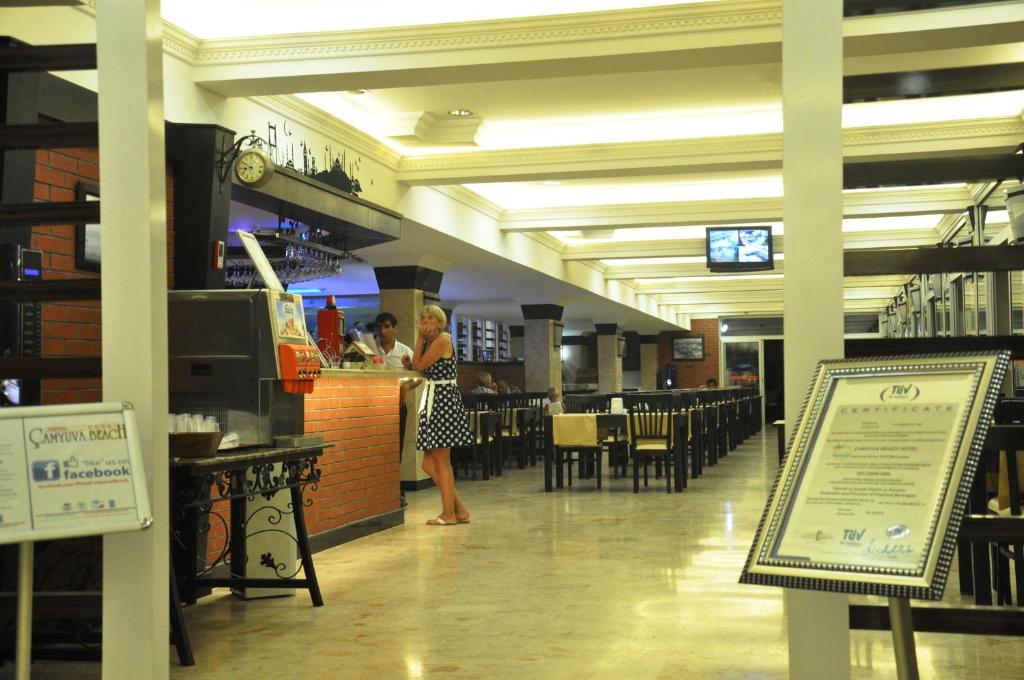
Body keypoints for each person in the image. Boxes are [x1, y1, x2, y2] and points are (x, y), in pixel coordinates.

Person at [412, 305, 474, 526]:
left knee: (441, 461)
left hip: (442, 401)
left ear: (440, 322)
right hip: (435, 400)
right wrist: (420, 343)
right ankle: (460, 510)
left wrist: (420, 337)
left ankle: (449, 514)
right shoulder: (432, 343)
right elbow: (419, 366)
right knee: (428, 464)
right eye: (423, 317)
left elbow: (418, 364)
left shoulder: (441, 341)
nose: (425, 321)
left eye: (430, 318)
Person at [375, 312, 420, 507]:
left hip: (397, 406)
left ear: (395, 328)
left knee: (396, 449)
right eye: (379, 327)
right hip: (375, 407)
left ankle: (396, 491)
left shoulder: (405, 352)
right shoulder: (369, 348)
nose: (382, 331)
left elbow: (418, 377)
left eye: (386, 326)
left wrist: (404, 388)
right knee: (377, 450)